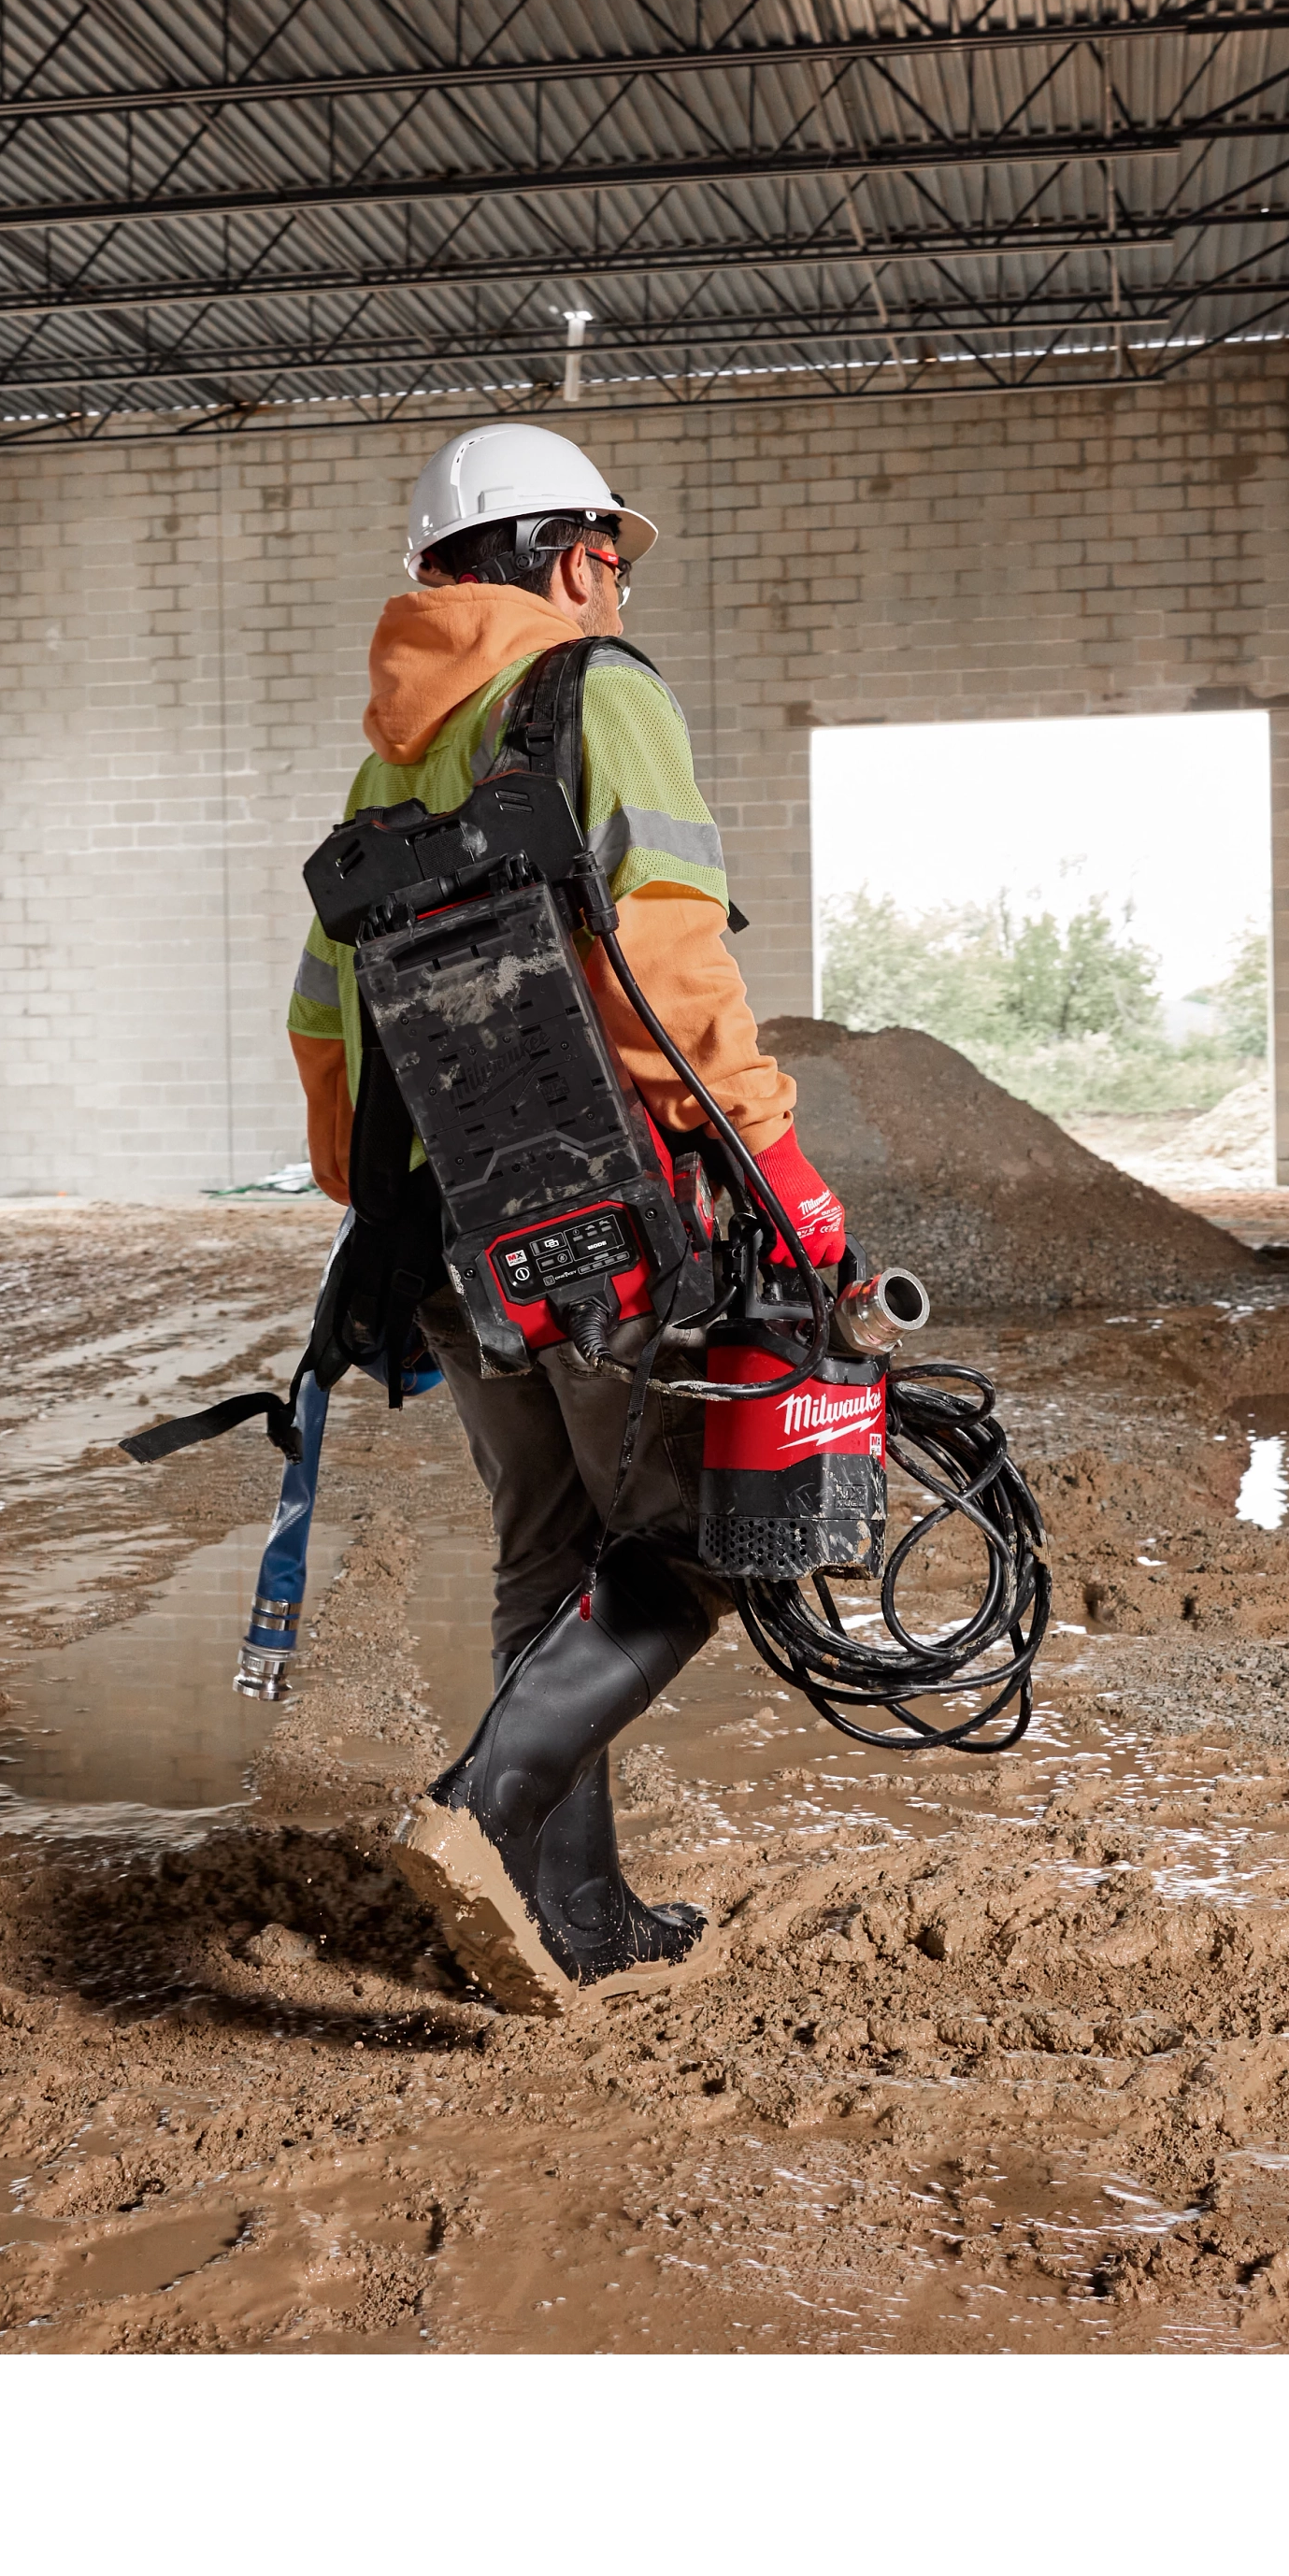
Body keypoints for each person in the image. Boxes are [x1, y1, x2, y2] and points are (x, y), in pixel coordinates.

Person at [286, 421, 845, 2003]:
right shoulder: (601, 694)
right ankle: (485, 1807)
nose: (614, 582)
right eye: (604, 552)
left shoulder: (387, 756)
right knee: (703, 1541)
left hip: (442, 1228)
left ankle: (571, 1924)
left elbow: (325, 1027)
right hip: (609, 1216)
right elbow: (667, 963)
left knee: (548, 1560)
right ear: (557, 556)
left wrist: (391, 1205)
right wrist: (776, 1170)